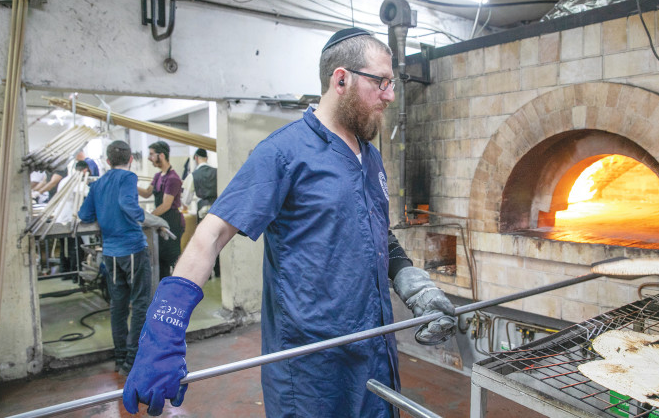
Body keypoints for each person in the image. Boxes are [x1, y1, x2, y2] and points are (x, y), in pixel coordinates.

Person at [122, 28, 456, 418]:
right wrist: (164, 331)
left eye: (392, 83)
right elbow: (210, 236)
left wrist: (414, 285)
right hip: (312, 372)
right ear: (341, 80)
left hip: (374, 354)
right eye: (381, 82)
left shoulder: (370, 157)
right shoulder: (282, 153)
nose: (391, 95)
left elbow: (376, 233)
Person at [78, 141, 155, 376]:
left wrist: (105, 213)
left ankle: (120, 358)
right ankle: (133, 360)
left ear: (108, 161)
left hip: (110, 253)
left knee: (118, 306)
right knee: (140, 302)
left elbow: (84, 214)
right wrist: (151, 219)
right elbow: (127, 204)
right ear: (130, 159)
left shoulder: (98, 183)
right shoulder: (128, 177)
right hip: (132, 248)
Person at [138, 141, 184, 278]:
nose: (149, 158)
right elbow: (147, 193)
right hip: (160, 221)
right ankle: (162, 286)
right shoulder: (158, 176)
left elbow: (166, 205)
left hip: (172, 223)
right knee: (160, 259)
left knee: (171, 259)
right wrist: (130, 184)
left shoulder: (173, 179)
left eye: (152, 154)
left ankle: (175, 286)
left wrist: (148, 218)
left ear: (162, 155)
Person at [181, 148, 220, 276]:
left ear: (196, 158)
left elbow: (186, 200)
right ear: (206, 158)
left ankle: (206, 273)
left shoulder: (193, 175)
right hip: (218, 210)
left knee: (205, 244)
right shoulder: (217, 172)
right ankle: (219, 271)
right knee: (218, 241)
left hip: (203, 212)